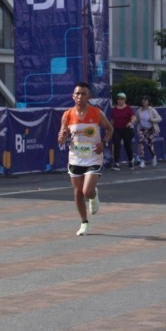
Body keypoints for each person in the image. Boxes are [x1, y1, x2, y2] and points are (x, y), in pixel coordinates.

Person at [57, 82, 113, 236]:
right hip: (76, 158)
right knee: (78, 193)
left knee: (87, 191)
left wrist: (104, 143)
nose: (80, 97)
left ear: (89, 96)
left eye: (83, 94)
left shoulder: (96, 113)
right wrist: (62, 137)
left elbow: (109, 129)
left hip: (93, 157)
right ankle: (84, 223)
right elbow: (61, 138)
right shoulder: (67, 115)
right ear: (73, 96)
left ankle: (93, 195)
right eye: (77, 93)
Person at [110, 92, 136, 170]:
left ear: (125, 100)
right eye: (118, 99)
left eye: (122, 99)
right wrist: (110, 127)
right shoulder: (114, 109)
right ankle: (116, 163)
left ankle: (131, 160)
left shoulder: (128, 108)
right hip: (116, 129)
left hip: (126, 129)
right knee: (116, 145)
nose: (120, 100)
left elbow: (134, 117)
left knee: (127, 145)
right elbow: (112, 120)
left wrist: (131, 122)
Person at [135, 95, 162, 168]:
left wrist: (152, 120)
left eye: (146, 100)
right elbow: (137, 120)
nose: (144, 101)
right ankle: (142, 161)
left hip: (150, 129)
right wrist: (133, 121)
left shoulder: (151, 110)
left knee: (150, 145)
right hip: (142, 129)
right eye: (143, 100)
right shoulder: (139, 110)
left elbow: (159, 118)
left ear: (148, 102)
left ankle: (154, 157)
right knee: (141, 143)